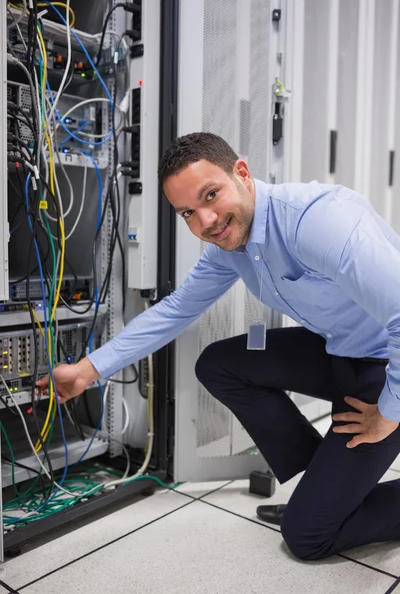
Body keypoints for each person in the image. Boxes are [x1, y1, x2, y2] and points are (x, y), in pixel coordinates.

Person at [37, 132, 400, 561]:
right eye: (188, 212)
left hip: (384, 363)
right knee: (219, 364)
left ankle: (325, 502)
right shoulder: (230, 247)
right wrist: (87, 370)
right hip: (340, 348)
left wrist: (388, 414)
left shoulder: (317, 222)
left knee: (307, 537)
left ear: (242, 173)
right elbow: (174, 311)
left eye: (211, 195)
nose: (206, 220)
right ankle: (326, 482)